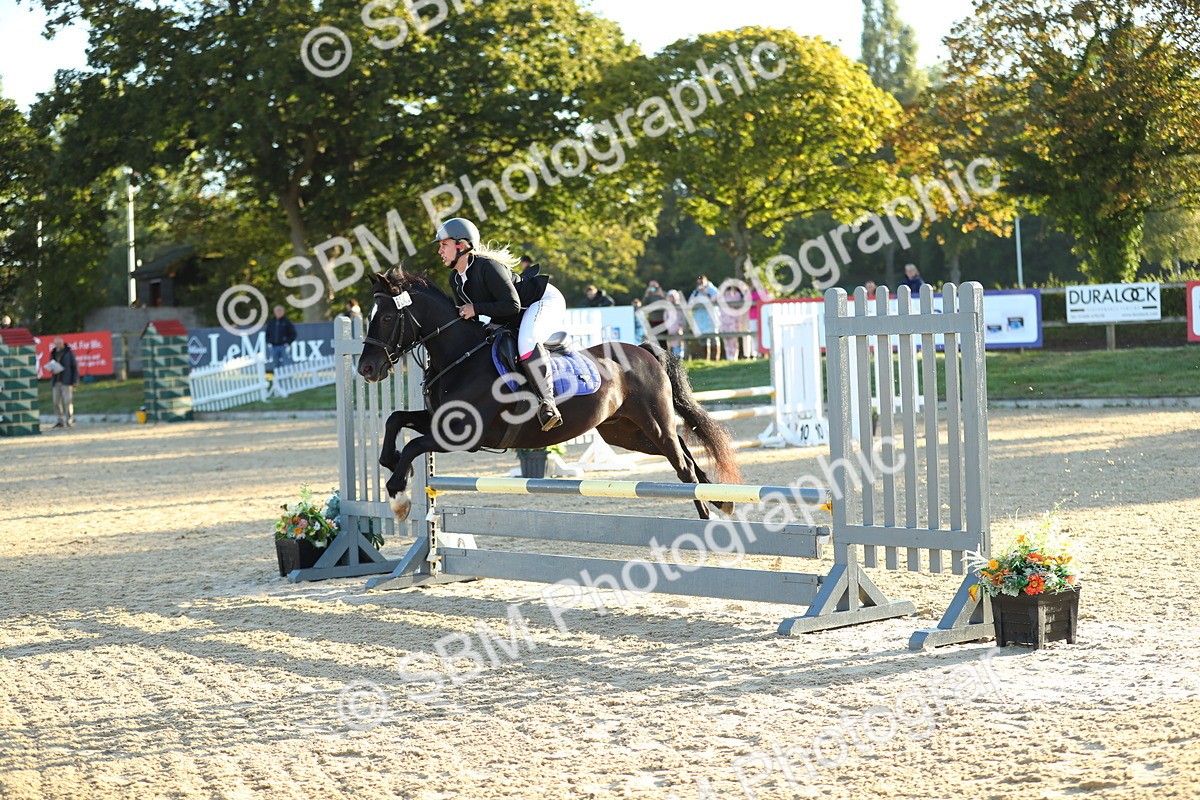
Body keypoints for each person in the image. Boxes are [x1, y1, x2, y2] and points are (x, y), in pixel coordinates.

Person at [435, 217, 566, 431]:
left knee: (526, 343)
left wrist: (476, 308)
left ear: (462, 245)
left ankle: (548, 403)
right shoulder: (456, 279)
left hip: (542, 300)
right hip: (511, 314)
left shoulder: (488, 267)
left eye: (444, 245)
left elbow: (512, 305)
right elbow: (472, 321)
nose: (440, 251)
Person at [48, 336, 79, 428]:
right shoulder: (53, 353)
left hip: (66, 380)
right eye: (56, 344)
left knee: (68, 401)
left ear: (62, 343)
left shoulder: (69, 353)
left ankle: (69, 419)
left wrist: (75, 380)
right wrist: (52, 370)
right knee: (56, 402)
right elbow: (51, 364)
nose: (58, 345)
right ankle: (59, 420)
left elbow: (74, 367)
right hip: (56, 380)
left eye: (59, 343)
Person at [688, 274, 720, 360]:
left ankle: (715, 358)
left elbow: (716, 298)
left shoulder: (711, 289)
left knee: (713, 338)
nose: (700, 284)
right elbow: (690, 302)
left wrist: (706, 292)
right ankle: (705, 359)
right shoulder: (696, 292)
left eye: (701, 282)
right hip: (700, 319)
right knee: (703, 340)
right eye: (698, 283)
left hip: (711, 318)